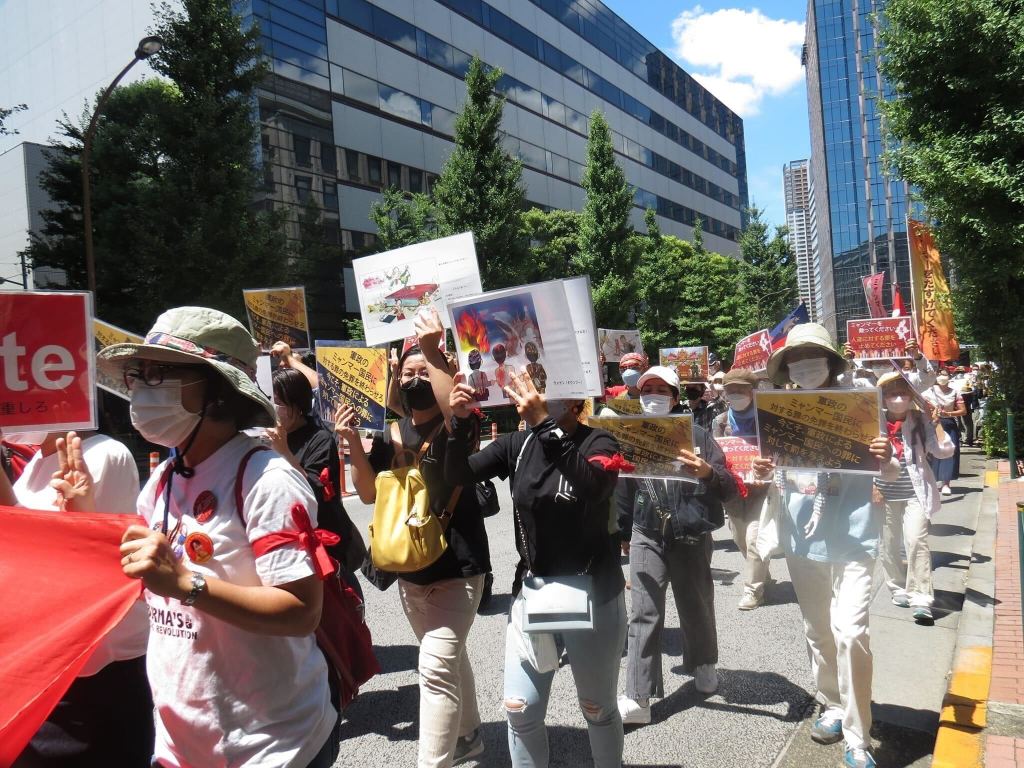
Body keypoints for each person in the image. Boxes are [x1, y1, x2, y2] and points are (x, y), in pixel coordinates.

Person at [54, 306, 340, 768]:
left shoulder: (266, 479)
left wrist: (187, 584)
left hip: (270, 747)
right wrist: (83, 516)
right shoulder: (162, 480)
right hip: (180, 746)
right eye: (138, 375)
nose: (141, 388)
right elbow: (144, 581)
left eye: (159, 374)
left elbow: (302, 611)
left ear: (218, 389)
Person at [444, 370, 628, 768]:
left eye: (545, 385)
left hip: (594, 592)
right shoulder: (517, 443)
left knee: (597, 707)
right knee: (519, 707)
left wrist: (545, 424)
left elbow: (594, 487)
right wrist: (458, 423)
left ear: (574, 397)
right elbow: (457, 475)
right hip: (534, 590)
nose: (532, 392)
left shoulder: (599, 440)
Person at [339, 307, 490, 768]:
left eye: (424, 371)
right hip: (409, 568)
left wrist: (431, 351)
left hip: (457, 566)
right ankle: (469, 736)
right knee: (444, 658)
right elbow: (368, 493)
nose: (415, 378)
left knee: (434, 668)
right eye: (408, 372)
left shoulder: (460, 421)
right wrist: (352, 444)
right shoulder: (391, 432)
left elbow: (455, 416)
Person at [753, 323, 897, 768]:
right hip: (801, 535)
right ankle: (832, 702)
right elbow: (772, 470)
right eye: (795, 359)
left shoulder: (861, 404)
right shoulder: (779, 412)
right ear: (787, 368)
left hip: (854, 533)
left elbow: (890, 473)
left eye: (812, 356)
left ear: (831, 362)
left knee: (850, 632)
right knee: (817, 628)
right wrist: (763, 470)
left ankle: (858, 737)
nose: (804, 365)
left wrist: (886, 458)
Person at [1, 430, 153, 767]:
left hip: (92, 679)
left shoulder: (103, 454)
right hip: (45, 671)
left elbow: (77, 571)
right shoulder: (36, 462)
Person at [615, 366, 736, 725]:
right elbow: (623, 487)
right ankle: (638, 695)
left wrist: (707, 472)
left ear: (674, 396)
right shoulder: (631, 435)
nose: (653, 396)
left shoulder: (698, 435)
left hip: (691, 532)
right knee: (643, 610)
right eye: (646, 390)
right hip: (647, 532)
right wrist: (623, 532)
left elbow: (728, 485)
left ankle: (703, 663)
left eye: (661, 390)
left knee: (696, 603)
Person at [267, 367, 366, 590]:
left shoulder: (319, 439)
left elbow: (313, 491)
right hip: (285, 542)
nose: (273, 408)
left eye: (278, 403)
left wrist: (284, 451)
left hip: (324, 544)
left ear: (297, 405)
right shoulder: (266, 437)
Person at [875, 372, 954, 622]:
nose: (897, 398)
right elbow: (863, 458)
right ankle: (897, 586)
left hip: (915, 492)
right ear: (883, 397)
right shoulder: (872, 420)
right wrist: (871, 485)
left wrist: (936, 422)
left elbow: (943, 452)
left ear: (911, 396)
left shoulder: (920, 420)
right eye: (891, 394)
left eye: (902, 393)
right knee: (888, 543)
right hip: (883, 493)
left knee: (916, 540)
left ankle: (921, 597)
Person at [712, 368, 774, 610]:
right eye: (731, 389)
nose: (736, 393)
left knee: (754, 538)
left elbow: (779, 452)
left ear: (754, 390)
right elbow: (715, 454)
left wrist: (767, 470)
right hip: (734, 490)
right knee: (740, 539)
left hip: (763, 488)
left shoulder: (767, 417)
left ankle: (753, 591)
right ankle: (762, 574)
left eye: (742, 388)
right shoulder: (721, 421)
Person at [922, 370, 966, 495]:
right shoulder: (929, 391)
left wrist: (949, 413)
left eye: (945, 374)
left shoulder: (955, 392)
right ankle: (931, 482)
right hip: (932, 424)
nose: (942, 377)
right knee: (930, 452)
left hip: (948, 424)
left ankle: (946, 483)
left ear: (949, 377)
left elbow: (963, 411)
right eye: (940, 374)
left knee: (948, 451)